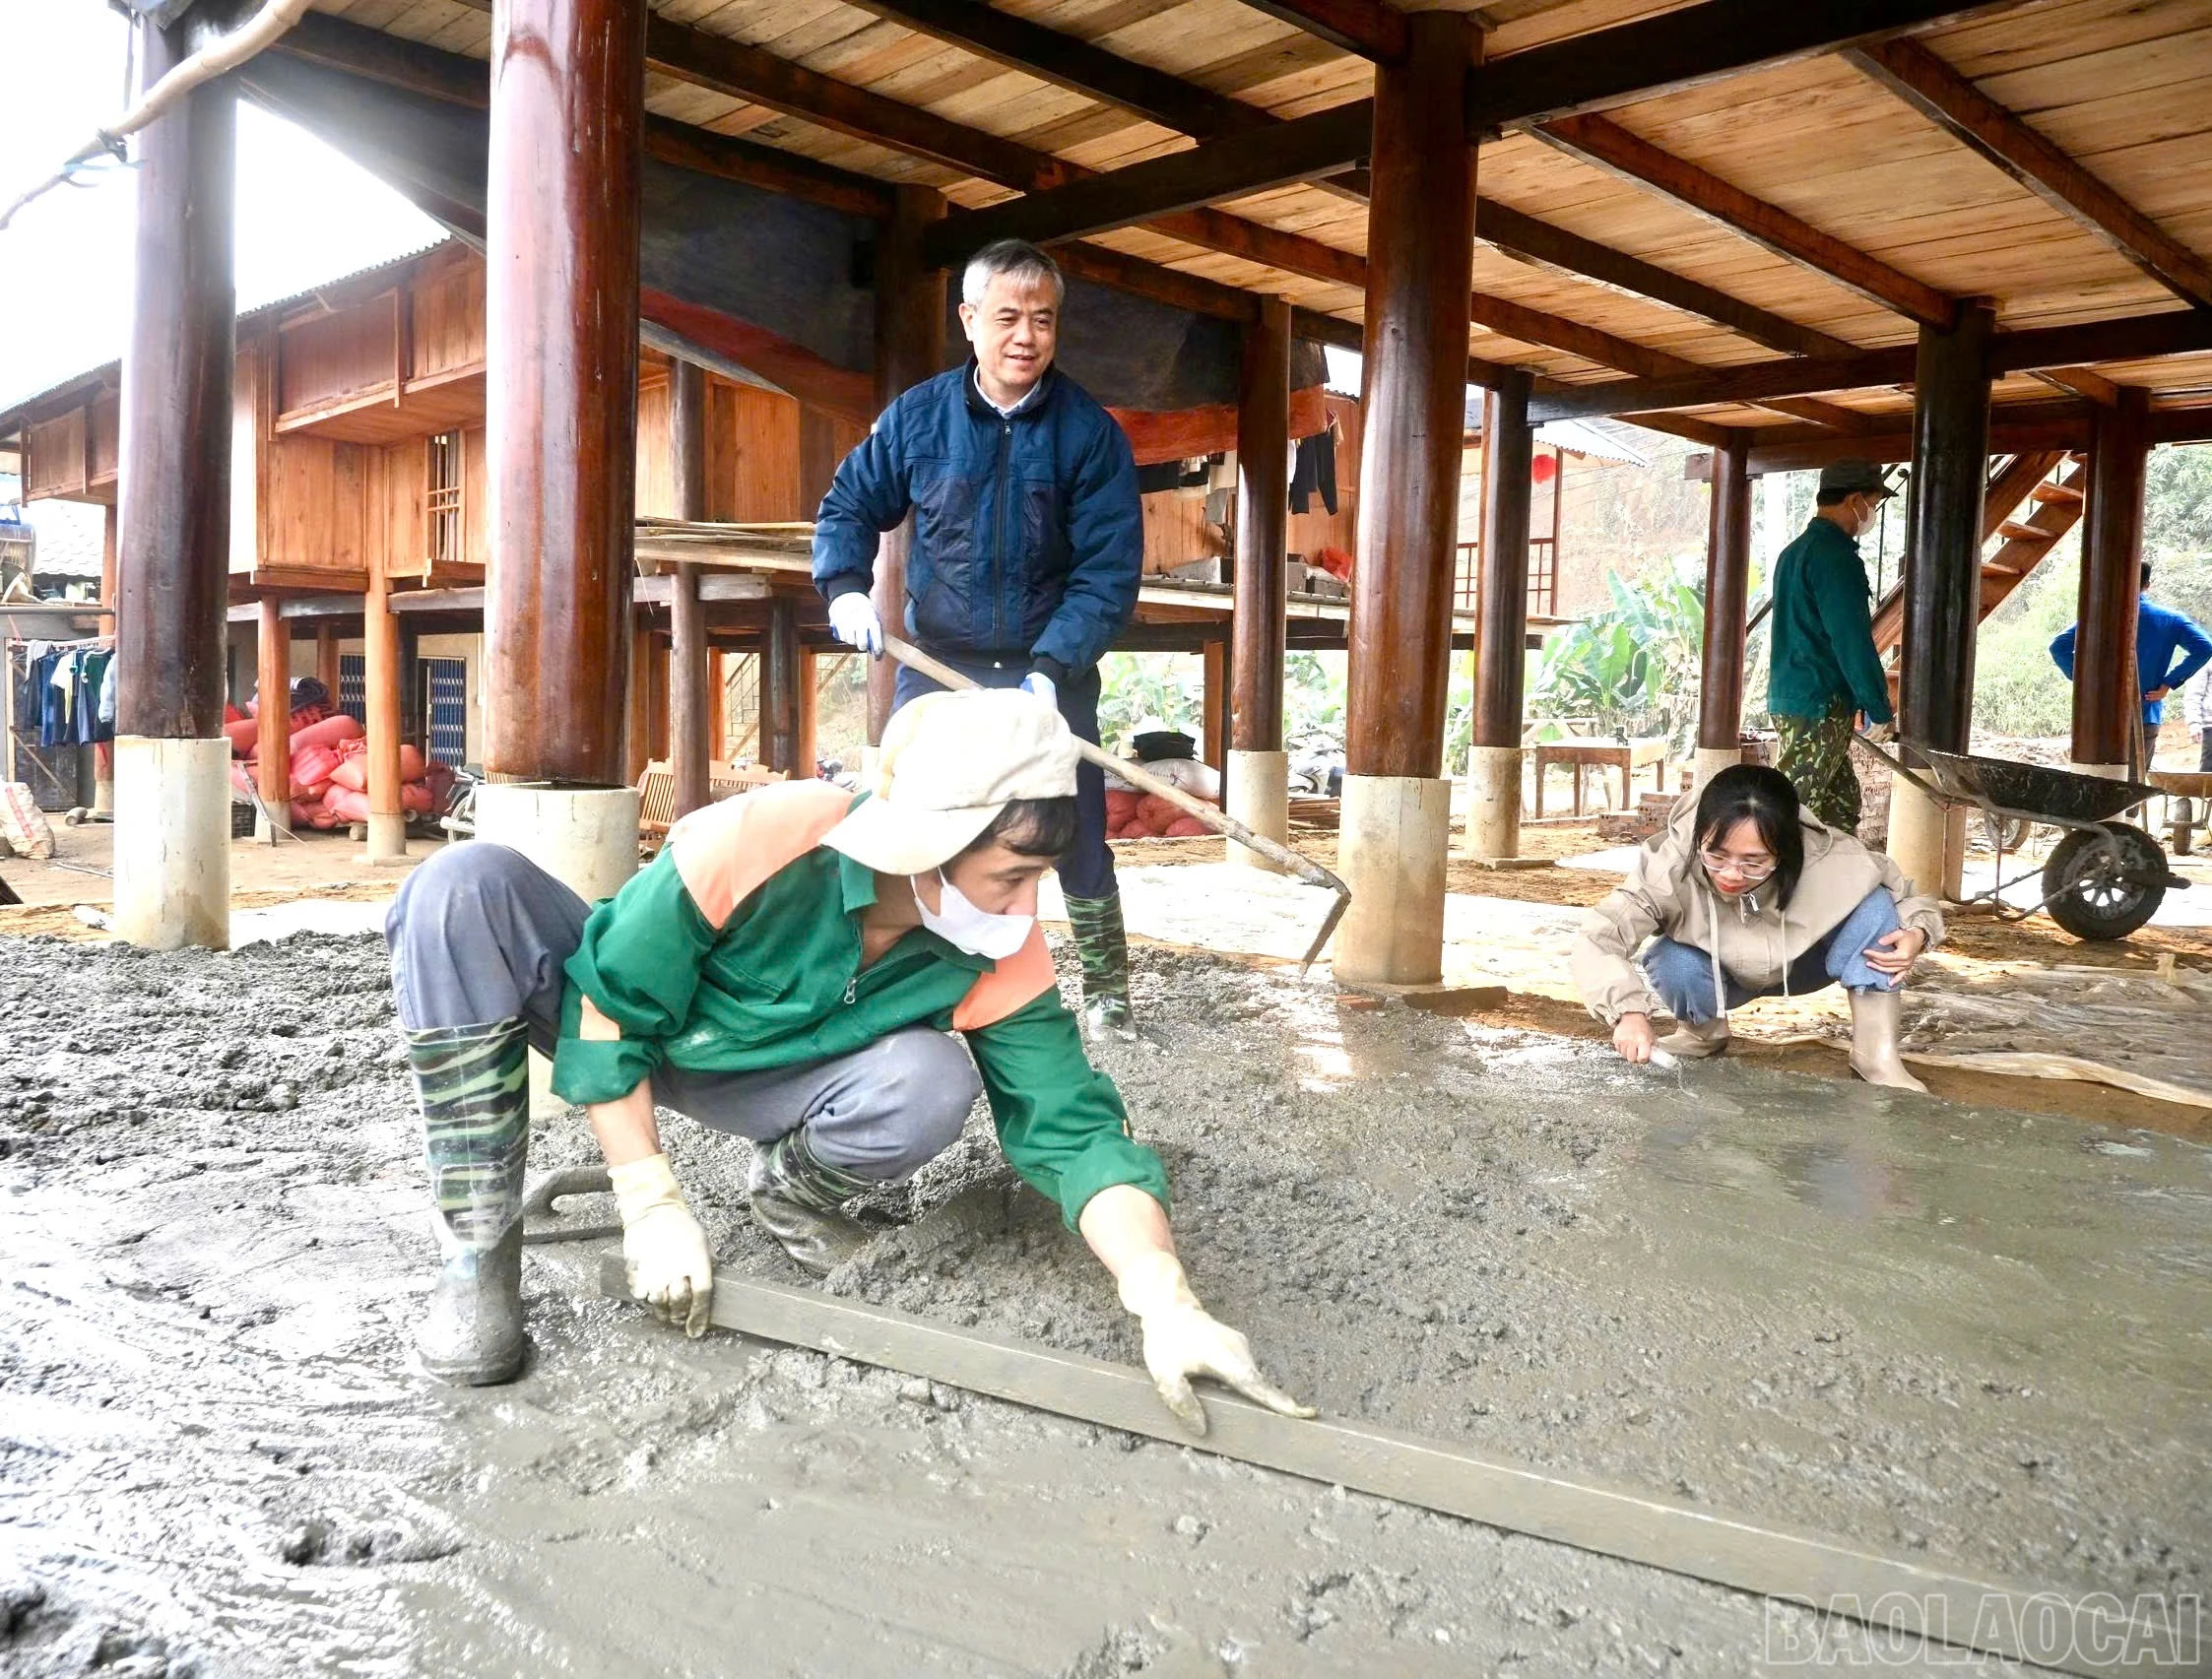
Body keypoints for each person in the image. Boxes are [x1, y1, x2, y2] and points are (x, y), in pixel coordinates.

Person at [381, 689, 1311, 1437]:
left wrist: (1161, 1293)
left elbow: (1073, 1131)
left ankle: (791, 1191)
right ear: (933, 847)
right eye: (1011, 876)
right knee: (460, 888)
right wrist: (648, 1199)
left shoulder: (1001, 947)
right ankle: (477, 1251)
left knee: (930, 1080)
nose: (1027, 907)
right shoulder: (768, 836)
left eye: (1038, 880)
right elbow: (613, 1001)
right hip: (630, 1025)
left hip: (774, 1082)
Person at [812, 238, 1144, 1042]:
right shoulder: (918, 419)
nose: (1025, 335)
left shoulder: (1088, 434)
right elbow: (850, 504)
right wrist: (845, 585)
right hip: (941, 663)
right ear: (969, 320)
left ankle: (1108, 992)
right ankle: (895, 974)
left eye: (1042, 319)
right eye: (1007, 317)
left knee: (1076, 826)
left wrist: (1053, 666)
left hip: (1048, 668)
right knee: (911, 814)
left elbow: (1107, 569)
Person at [1569, 764, 1945, 1092]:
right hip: (1719, 975)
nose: (1732, 874)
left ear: (1786, 849)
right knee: (1672, 959)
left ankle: (1874, 1053)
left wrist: (1918, 932)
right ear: (1699, 838)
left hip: (1804, 965)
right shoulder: (1667, 867)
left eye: (1754, 862)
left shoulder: (1833, 856)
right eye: (1717, 856)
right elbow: (1599, 937)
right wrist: (1627, 1012)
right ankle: (1702, 1034)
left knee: (1875, 905)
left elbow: (1910, 898)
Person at [1766, 458, 1899, 834]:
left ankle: (1840, 870)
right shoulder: (1836, 559)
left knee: (1840, 806)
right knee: (1792, 812)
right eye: (1873, 503)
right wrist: (1878, 707)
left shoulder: (1794, 553)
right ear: (1855, 500)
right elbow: (1851, 641)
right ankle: (1767, 870)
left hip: (1797, 696)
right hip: (1818, 702)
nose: (1872, 513)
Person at [2049, 562, 2212, 758]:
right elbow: (2205, 648)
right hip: (2145, 711)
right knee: (2135, 775)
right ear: (2147, 585)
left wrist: (2086, 680)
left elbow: (2058, 647)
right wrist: (2169, 682)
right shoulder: (2171, 619)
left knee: (2093, 773)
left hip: (2099, 713)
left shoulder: (2099, 616)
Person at [2185, 659, 2212, 773]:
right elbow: (2193, 694)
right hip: (2210, 727)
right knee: (2208, 775)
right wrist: (2194, 723)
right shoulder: (2205, 658)